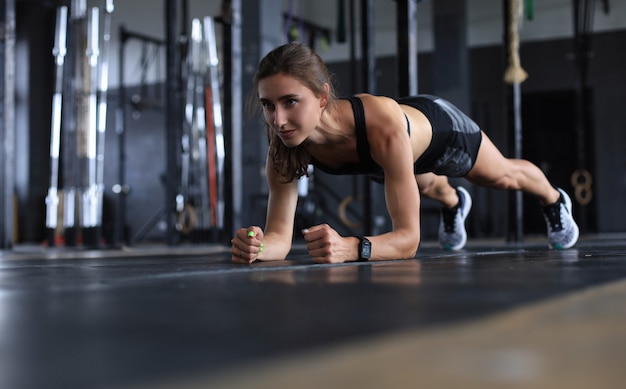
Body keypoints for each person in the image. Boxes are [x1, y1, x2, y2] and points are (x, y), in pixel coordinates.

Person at [231, 42, 579, 264]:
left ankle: (553, 199)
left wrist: (353, 247)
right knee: (426, 186)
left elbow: (409, 240)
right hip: (391, 152)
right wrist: (257, 247)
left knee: (501, 176)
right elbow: (278, 238)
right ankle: (454, 203)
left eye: (290, 102)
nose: (278, 120)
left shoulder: (381, 128)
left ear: (322, 97)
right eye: (268, 105)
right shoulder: (286, 144)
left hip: (438, 129)